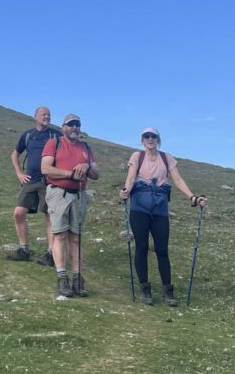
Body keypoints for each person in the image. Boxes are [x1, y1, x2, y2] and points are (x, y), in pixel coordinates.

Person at [119, 127, 207, 306]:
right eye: (147, 136)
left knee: (162, 249)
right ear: (142, 140)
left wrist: (193, 197)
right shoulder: (137, 157)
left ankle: (168, 290)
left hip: (159, 208)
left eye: (153, 136)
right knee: (141, 248)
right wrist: (126, 191)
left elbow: (178, 180)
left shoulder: (167, 158)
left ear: (158, 139)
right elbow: (130, 177)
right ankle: (145, 290)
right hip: (139, 208)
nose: (150, 139)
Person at [40, 113, 100, 297]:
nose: (74, 127)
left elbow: (96, 174)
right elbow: (46, 169)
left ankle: (77, 279)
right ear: (63, 127)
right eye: (71, 124)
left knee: (75, 237)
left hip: (79, 196)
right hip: (59, 193)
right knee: (59, 235)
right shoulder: (54, 143)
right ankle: (62, 278)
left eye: (77, 124)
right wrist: (70, 174)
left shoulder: (86, 147)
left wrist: (87, 167)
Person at [6, 106, 61, 264]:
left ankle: (51, 254)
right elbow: (15, 154)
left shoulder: (56, 135)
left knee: (49, 216)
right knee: (18, 213)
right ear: (35, 116)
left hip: (49, 182)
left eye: (49, 114)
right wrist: (19, 173)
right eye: (44, 114)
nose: (47, 117)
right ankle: (24, 250)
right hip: (31, 181)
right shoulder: (28, 135)